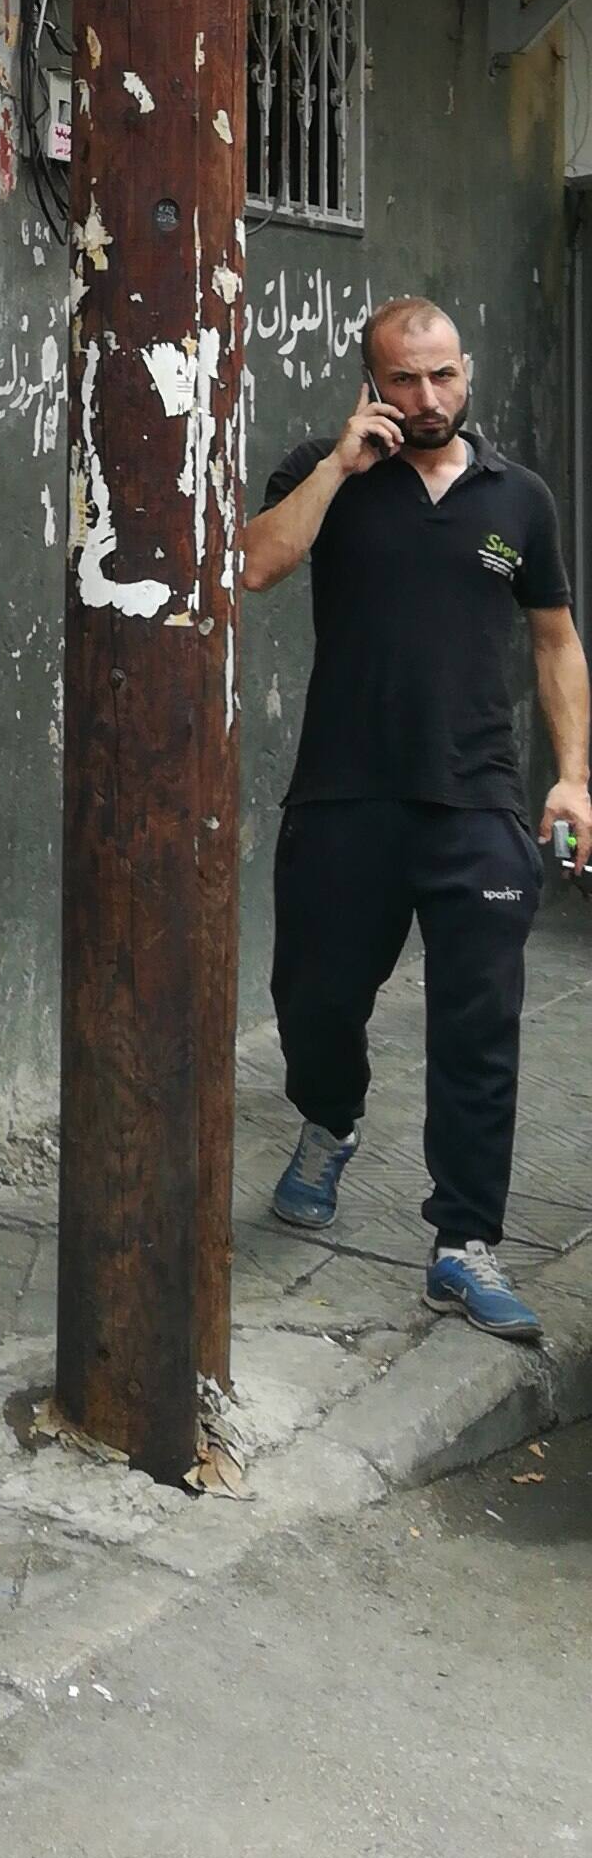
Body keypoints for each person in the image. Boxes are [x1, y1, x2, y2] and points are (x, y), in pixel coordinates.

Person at [249, 295, 592, 1341]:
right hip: (343, 794)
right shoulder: (325, 471)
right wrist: (337, 466)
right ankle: (331, 1117)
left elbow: (555, 640)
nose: (428, 396)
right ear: (372, 382)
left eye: (442, 374)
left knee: (478, 1028)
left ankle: (463, 1244)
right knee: (312, 1001)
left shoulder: (518, 499)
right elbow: (252, 564)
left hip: (477, 800)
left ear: (467, 370)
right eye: (404, 378)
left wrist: (574, 777)